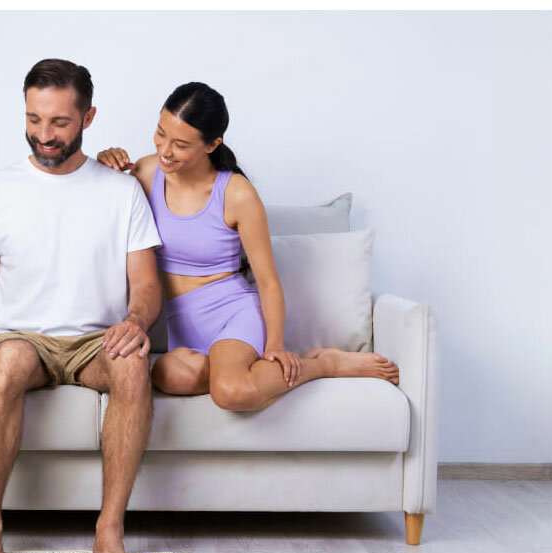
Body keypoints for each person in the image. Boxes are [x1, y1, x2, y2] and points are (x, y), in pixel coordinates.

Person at [0, 59, 162, 553]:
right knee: (7, 362)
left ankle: (109, 531)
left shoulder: (121, 191)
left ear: (88, 117)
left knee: (131, 364)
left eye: (59, 122)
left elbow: (146, 284)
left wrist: (136, 321)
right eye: (34, 119)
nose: (44, 135)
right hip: (22, 338)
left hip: (96, 340)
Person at [96, 82, 399, 410]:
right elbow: (100, 204)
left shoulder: (237, 194)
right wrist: (104, 164)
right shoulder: (146, 173)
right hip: (183, 325)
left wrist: (276, 346)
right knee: (168, 377)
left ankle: (324, 364)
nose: (165, 150)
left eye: (181, 144)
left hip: (233, 314)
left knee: (231, 392)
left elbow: (267, 281)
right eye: (160, 133)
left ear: (212, 144)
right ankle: (232, 370)